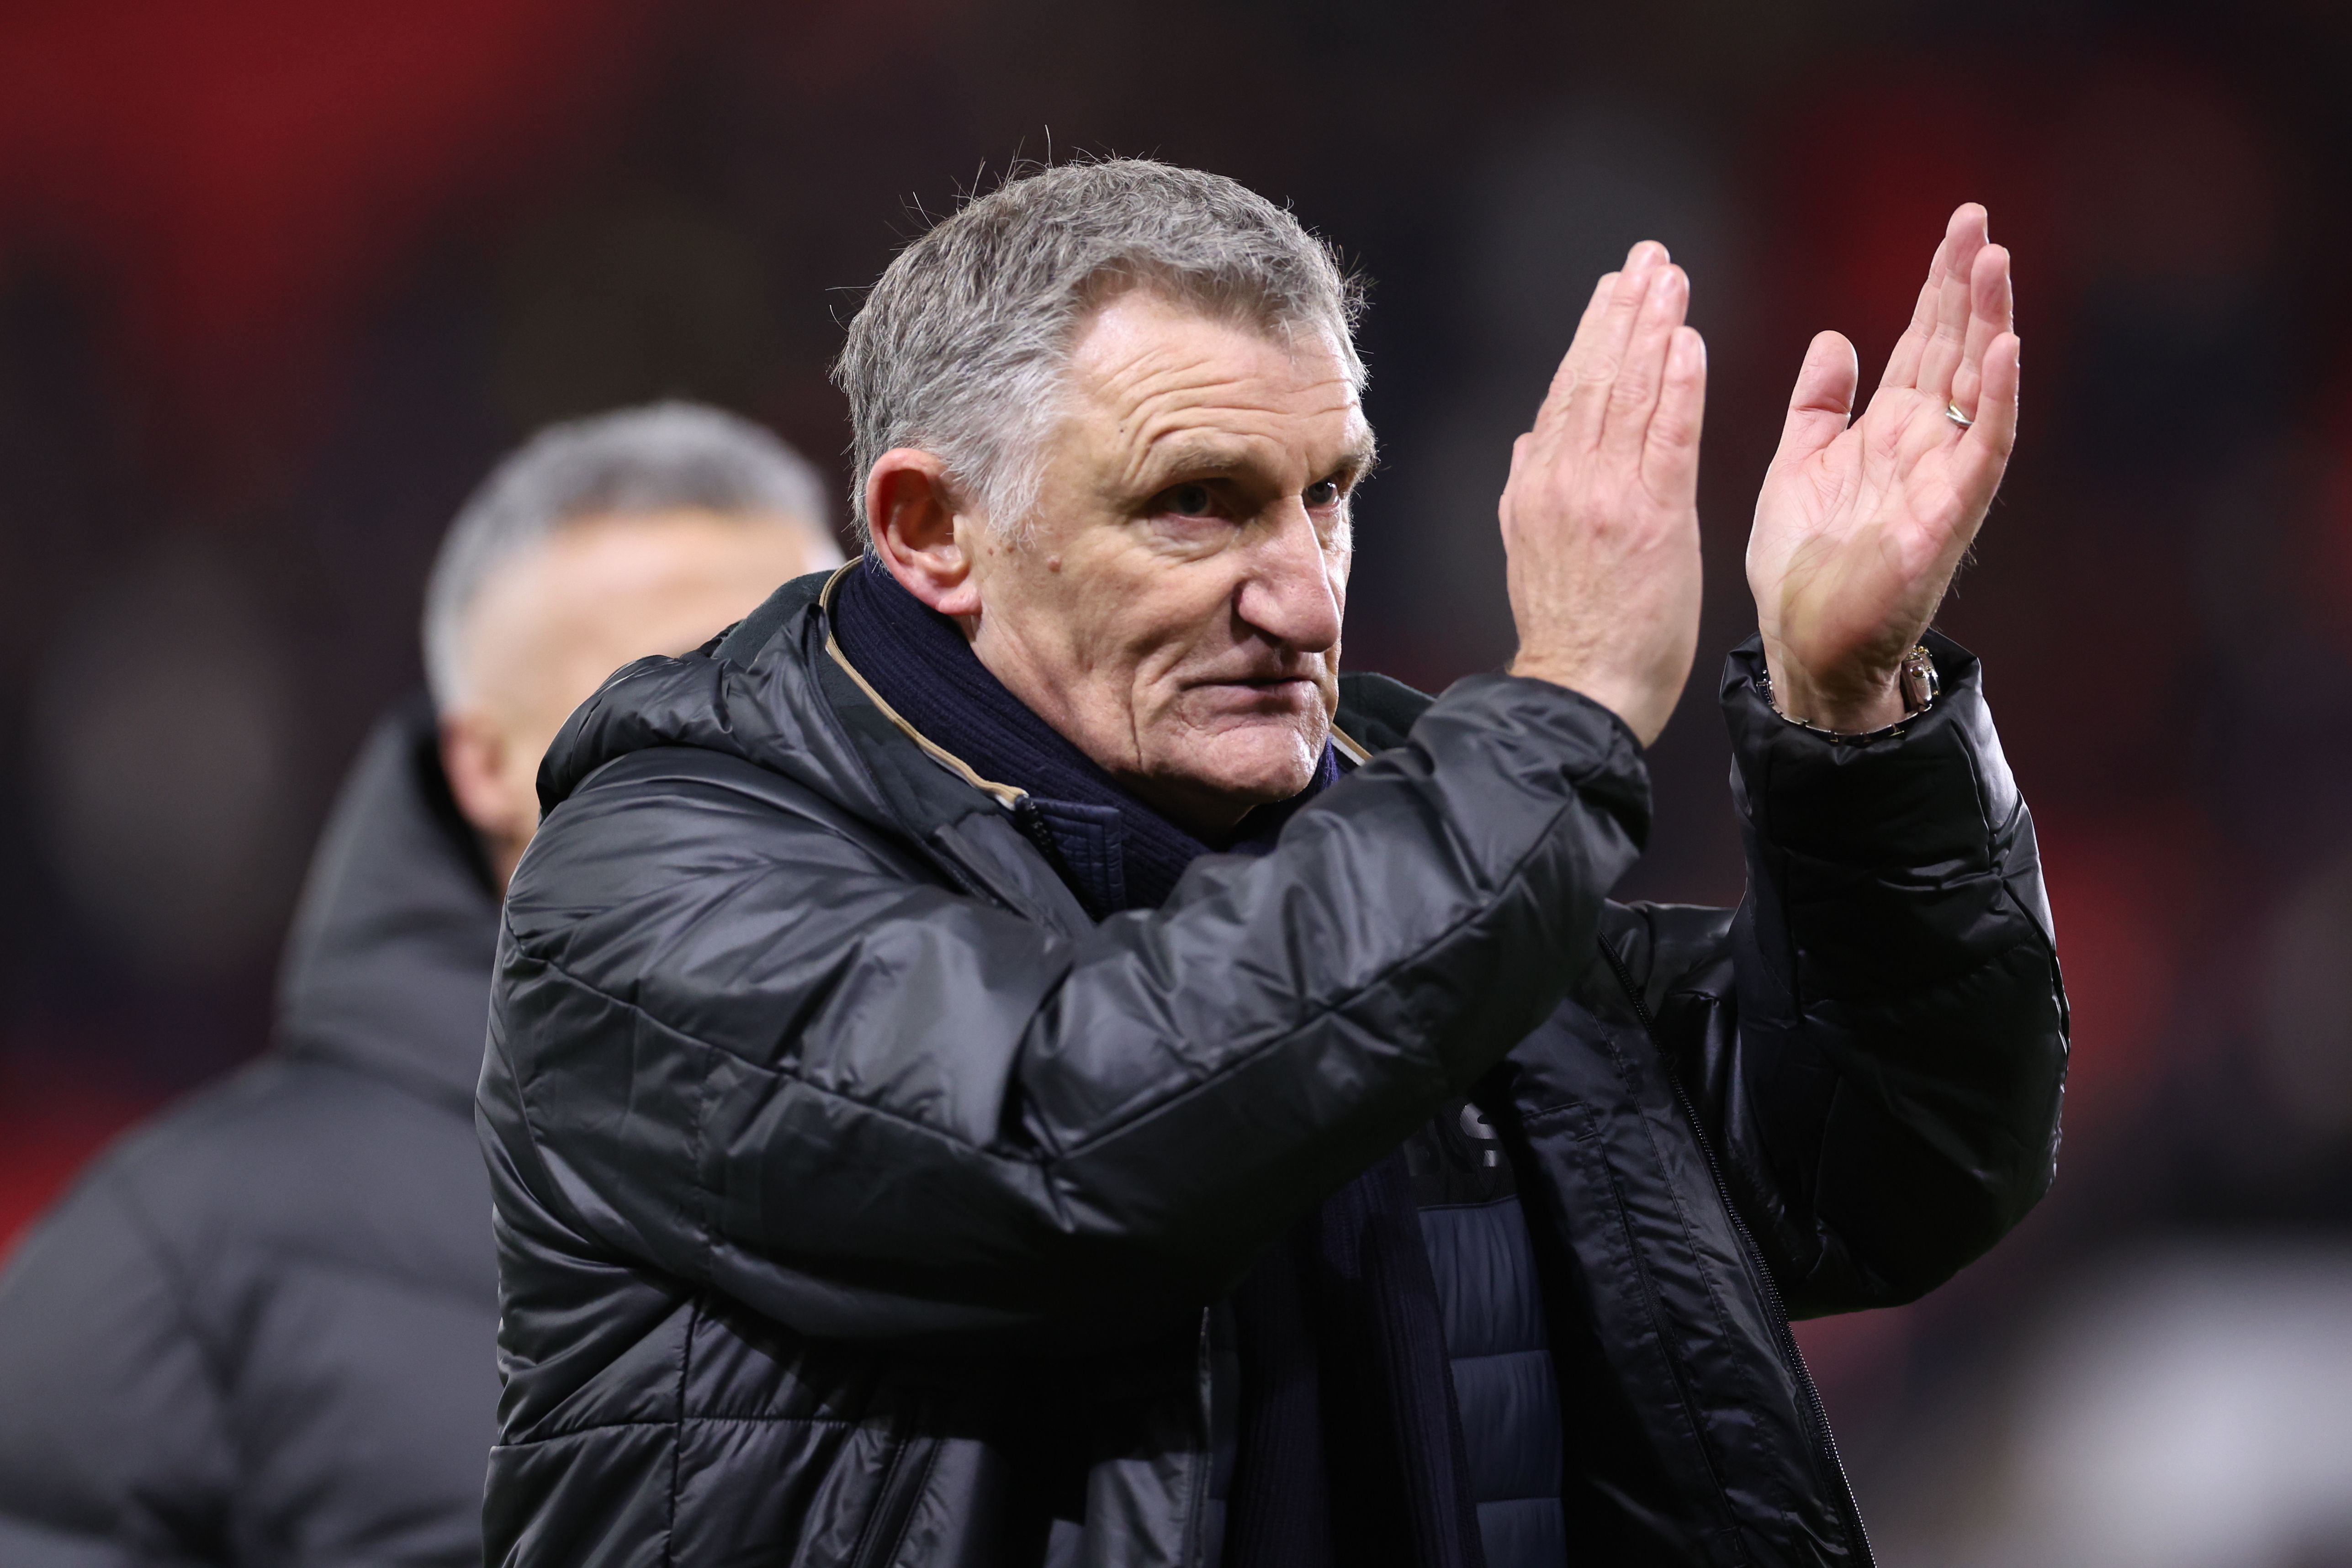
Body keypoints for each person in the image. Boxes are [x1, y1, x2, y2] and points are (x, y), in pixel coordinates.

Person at [480, 161, 2066, 1568]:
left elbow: (1879, 1161)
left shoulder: (1404, 818)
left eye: (1327, 500)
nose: (1304, 599)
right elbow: (1072, 1143)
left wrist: (1848, 711)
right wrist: (1566, 699)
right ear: (930, 530)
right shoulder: (663, 876)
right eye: (1198, 507)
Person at [0, 403, 842, 1566]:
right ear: (483, 764)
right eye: (652, 701)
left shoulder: (1052, 1139)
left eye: (798, 685)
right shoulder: (185, 1260)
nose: (742, 752)